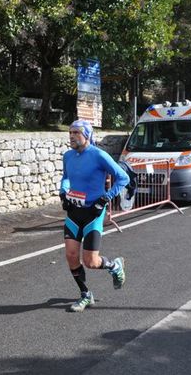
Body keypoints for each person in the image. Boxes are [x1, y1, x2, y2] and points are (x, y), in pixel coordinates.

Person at [59, 120, 130, 312]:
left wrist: (105, 198)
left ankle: (114, 266)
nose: (72, 136)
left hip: (93, 213)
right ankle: (85, 294)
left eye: (76, 132)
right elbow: (66, 177)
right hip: (74, 212)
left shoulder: (99, 155)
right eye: (70, 132)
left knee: (90, 262)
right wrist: (63, 192)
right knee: (71, 256)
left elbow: (124, 178)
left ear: (87, 135)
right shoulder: (68, 156)